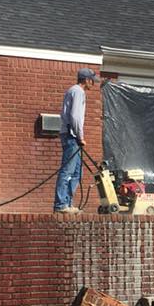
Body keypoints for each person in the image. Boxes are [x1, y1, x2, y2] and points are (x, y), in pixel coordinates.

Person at [54, 68, 97, 212]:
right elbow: (75, 116)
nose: (93, 83)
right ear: (86, 80)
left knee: (77, 172)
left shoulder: (73, 91)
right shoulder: (78, 92)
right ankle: (61, 205)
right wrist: (80, 136)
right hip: (72, 136)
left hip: (71, 135)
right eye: (92, 80)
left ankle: (67, 203)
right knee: (68, 171)